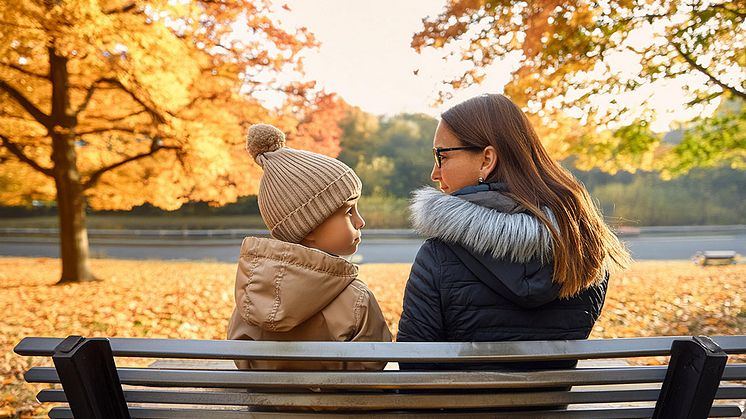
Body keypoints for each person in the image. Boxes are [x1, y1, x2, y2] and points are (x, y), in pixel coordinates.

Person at [397, 94, 631, 370]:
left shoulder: (438, 255)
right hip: (550, 410)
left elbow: (415, 365)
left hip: (458, 411)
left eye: (442, 156)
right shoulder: (585, 247)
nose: (434, 173)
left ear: (487, 160)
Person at [227, 124, 392, 371]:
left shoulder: (253, 296)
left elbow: (243, 360)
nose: (360, 221)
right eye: (349, 211)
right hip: (340, 409)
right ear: (310, 227)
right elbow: (371, 365)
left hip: (266, 409)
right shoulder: (357, 299)